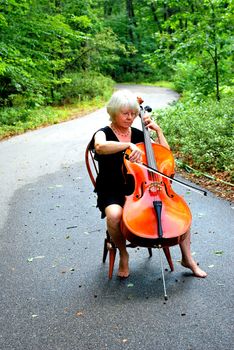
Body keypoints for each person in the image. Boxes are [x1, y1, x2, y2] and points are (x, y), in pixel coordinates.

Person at [92, 89, 207, 279]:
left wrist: (158, 130)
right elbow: (100, 147)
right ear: (113, 112)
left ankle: (188, 259)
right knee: (114, 215)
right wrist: (127, 146)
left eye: (133, 114)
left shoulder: (138, 134)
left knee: (178, 212)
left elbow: (164, 156)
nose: (129, 118)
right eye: (125, 113)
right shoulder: (103, 133)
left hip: (141, 189)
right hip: (112, 189)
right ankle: (123, 253)